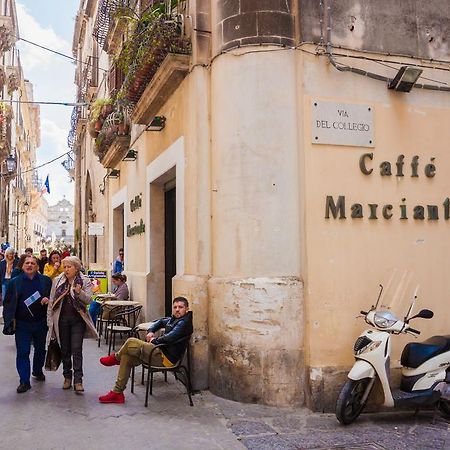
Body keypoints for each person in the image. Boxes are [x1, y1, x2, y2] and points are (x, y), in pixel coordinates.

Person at [98, 296, 193, 404]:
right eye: (175, 307)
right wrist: (152, 330)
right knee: (126, 357)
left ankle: (115, 358)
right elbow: (161, 321)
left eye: (180, 307)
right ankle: (117, 393)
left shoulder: (183, 323)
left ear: (187, 309)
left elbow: (170, 337)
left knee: (131, 342)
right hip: (158, 353)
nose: (177, 309)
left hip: (165, 359)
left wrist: (154, 340)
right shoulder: (175, 319)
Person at [47, 256, 98, 394]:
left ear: (76, 268)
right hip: (61, 320)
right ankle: (67, 377)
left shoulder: (85, 281)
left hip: (78, 320)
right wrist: (49, 321)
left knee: (76, 349)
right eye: (65, 266)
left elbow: (88, 300)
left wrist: (78, 292)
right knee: (65, 349)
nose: (66, 269)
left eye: (69, 266)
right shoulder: (57, 281)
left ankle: (78, 380)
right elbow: (52, 302)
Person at [2, 256, 52, 393]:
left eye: (33, 263)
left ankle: (37, 371)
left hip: (41, 323)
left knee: (41, 350)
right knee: (23, 352)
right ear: (22, 266)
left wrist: (48, 299)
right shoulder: (15, 283)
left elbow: (52, 297)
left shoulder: (46, 281)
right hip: (22, 324)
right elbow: (8, 303)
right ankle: (24, 381)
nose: (29, 265)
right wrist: (8, 320)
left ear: (37, 267)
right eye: (27, 263)